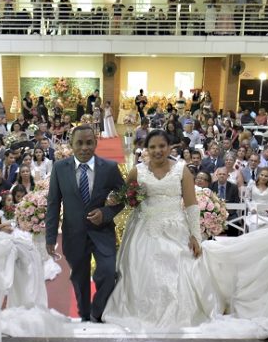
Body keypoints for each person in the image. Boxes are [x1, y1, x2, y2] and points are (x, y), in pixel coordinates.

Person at [103, 129, 216, 328]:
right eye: (152, 147)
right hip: (144, 229)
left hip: (176, 229)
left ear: (170, 147)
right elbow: (123, 196)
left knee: (178, 272)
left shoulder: (182, 170)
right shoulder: (137, 171)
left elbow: (191, 204)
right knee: (142, 272)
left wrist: (195, 236)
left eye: (162, 146)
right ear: (146, 149)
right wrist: (114, 199)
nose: (158, 151)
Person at [45, 125, 126, 323]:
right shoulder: (59, 168)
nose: (84, 148)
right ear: (71, 144)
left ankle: (97, 313)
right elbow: (53, 203)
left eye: (89, 142)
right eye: (79, 143)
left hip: (102, 232)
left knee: (108, 273)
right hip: (74, 234)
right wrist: (50, 237)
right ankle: (84, 316)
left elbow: (123, 197)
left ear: (96, 143)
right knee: (79, 278)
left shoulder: (109, 167)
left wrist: (105, 213)